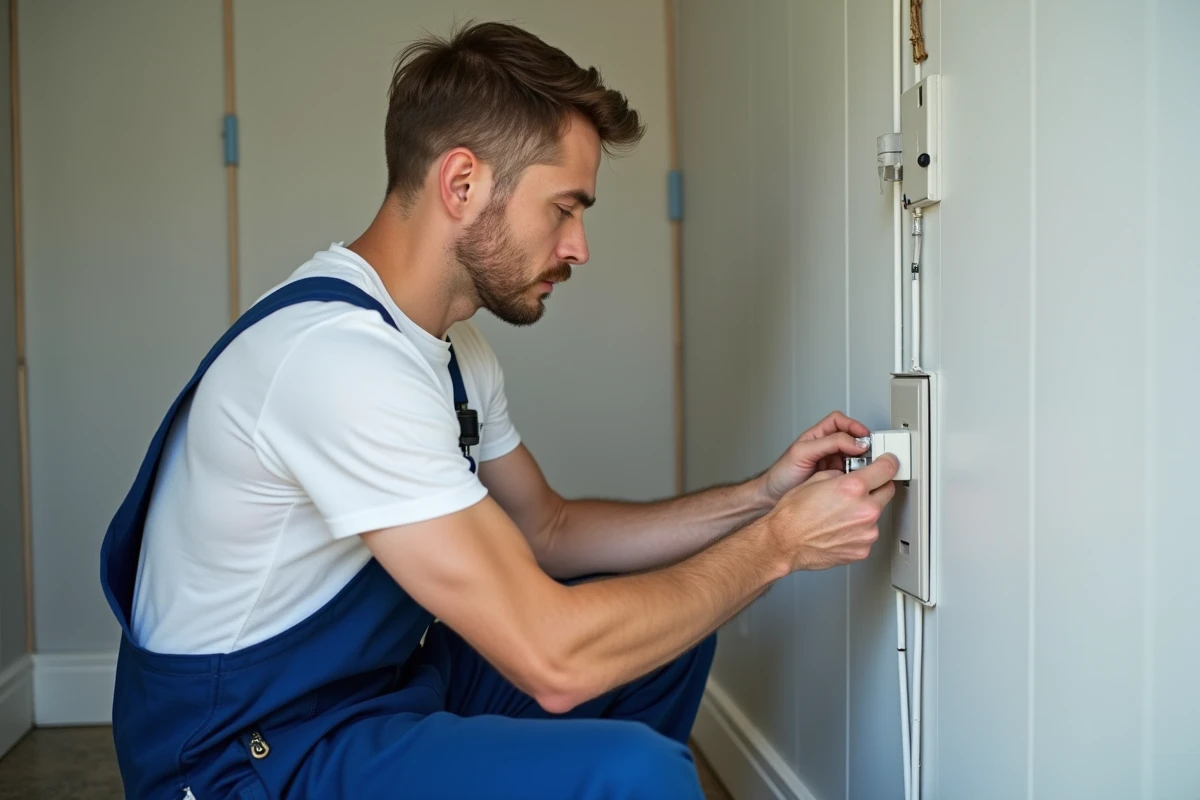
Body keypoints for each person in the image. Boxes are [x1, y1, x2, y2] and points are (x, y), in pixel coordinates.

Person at [99, 20, 898, 800]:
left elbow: (547, 530)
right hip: (244, 757)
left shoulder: (448, 350)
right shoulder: (338, 362)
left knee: (660, 627)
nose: (580, 245)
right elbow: (554, 661)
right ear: (462, 183)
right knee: (635, 772)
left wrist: (762, 498)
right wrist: (778, 547)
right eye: (565, 207)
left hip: (374, 691)